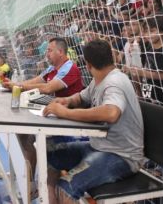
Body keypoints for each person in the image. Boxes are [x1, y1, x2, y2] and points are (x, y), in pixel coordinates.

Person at [43, 39, 144, 204]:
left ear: (88, 65)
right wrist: (67, 101)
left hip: (121, 156)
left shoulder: (114, 82)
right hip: (98, 146)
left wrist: (66, 112)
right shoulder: (100, 78)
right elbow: (82, 97)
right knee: (51, 156)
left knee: (65, 186)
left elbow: (111, 113)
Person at [3, 37, 84, 193]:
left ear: (60, 52)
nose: (46, 54)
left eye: (49, 50)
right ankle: (29, 184)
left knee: (29, 137)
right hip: (53, 116)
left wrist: (18, 86)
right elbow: (35, 80)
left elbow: (47, 88)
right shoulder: (51, 69)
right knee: (23, 135)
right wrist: (17, 85)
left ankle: (38, 186)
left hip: (69, 122)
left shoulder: (70, 68)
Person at [123, 17, 163, 105]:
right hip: (148, 87)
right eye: (146, 31)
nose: (149, 34)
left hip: (160, 94)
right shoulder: (149, 47)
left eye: (152, 31)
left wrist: (141, 72)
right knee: (146, 106)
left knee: (158, 114)